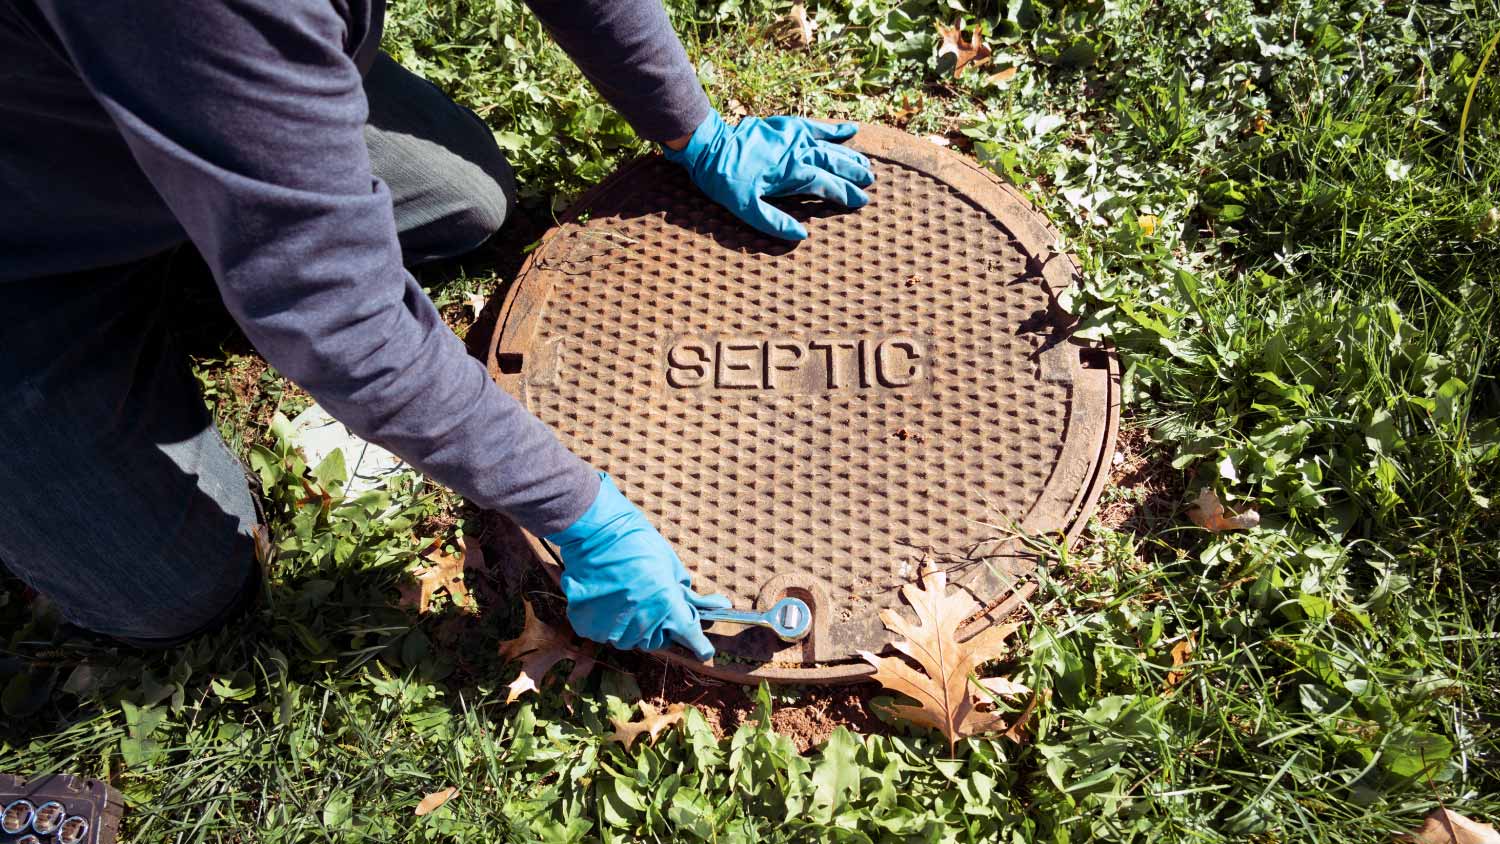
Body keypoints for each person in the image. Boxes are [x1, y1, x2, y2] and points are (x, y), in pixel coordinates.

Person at [0, 1, 874, 659]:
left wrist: (694, 129)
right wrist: (581, 515)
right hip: (28, 240)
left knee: (467, 202)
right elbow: (341, 316)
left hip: (170, 73)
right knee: (168, 591)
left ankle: (239, 193)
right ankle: (223, 228)